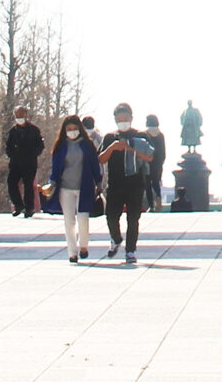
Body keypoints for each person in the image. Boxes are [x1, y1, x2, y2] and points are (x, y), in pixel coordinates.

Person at [41, 115, 102, 263]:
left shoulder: (87, 146)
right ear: (64, 131)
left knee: (83, 219)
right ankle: (72, 252)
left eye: (75, 129)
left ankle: (84, 246)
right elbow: (56, 168)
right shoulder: (60, 147)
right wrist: (52, 183)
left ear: (80, 129)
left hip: (84, 187)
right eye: (69, 129)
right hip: (65, 189)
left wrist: (99, 183)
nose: (72, 132)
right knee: (69, 221)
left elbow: (95, 165)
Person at [98, 104, 152, 265]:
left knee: (133, 218)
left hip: (135, 183)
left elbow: (150, 156)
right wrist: (113, 147)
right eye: (120, 120)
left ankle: (131, 251)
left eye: (125, 119)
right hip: (115, 183)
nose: (123, 122)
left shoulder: (140, 136)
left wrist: (130, 149)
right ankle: (116, 238)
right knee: (111, 216)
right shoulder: (109, 137)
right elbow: (100, 159)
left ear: (131, 118)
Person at [3, 108, 45, 218]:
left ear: (26, 115)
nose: (20, 118)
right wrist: (12, 154)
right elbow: (8, 146)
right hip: (15, 163)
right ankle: (18, 205)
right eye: (17, 116)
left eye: (21, 116)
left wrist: (33, 154)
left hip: (29, 162)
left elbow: (40, 145)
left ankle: (29, 208)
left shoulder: (34, 130)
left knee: (28, 185)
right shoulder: (13, 131)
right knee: (11, 183)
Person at [141, 113, 168, 211]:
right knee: (156, 182)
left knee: (148, 184)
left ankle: (151, 205)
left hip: (147, 163)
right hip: (158, 164)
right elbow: (163, 152)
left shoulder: (145, 134)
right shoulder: (161, 135)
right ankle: (158, 198)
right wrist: (161, 162)